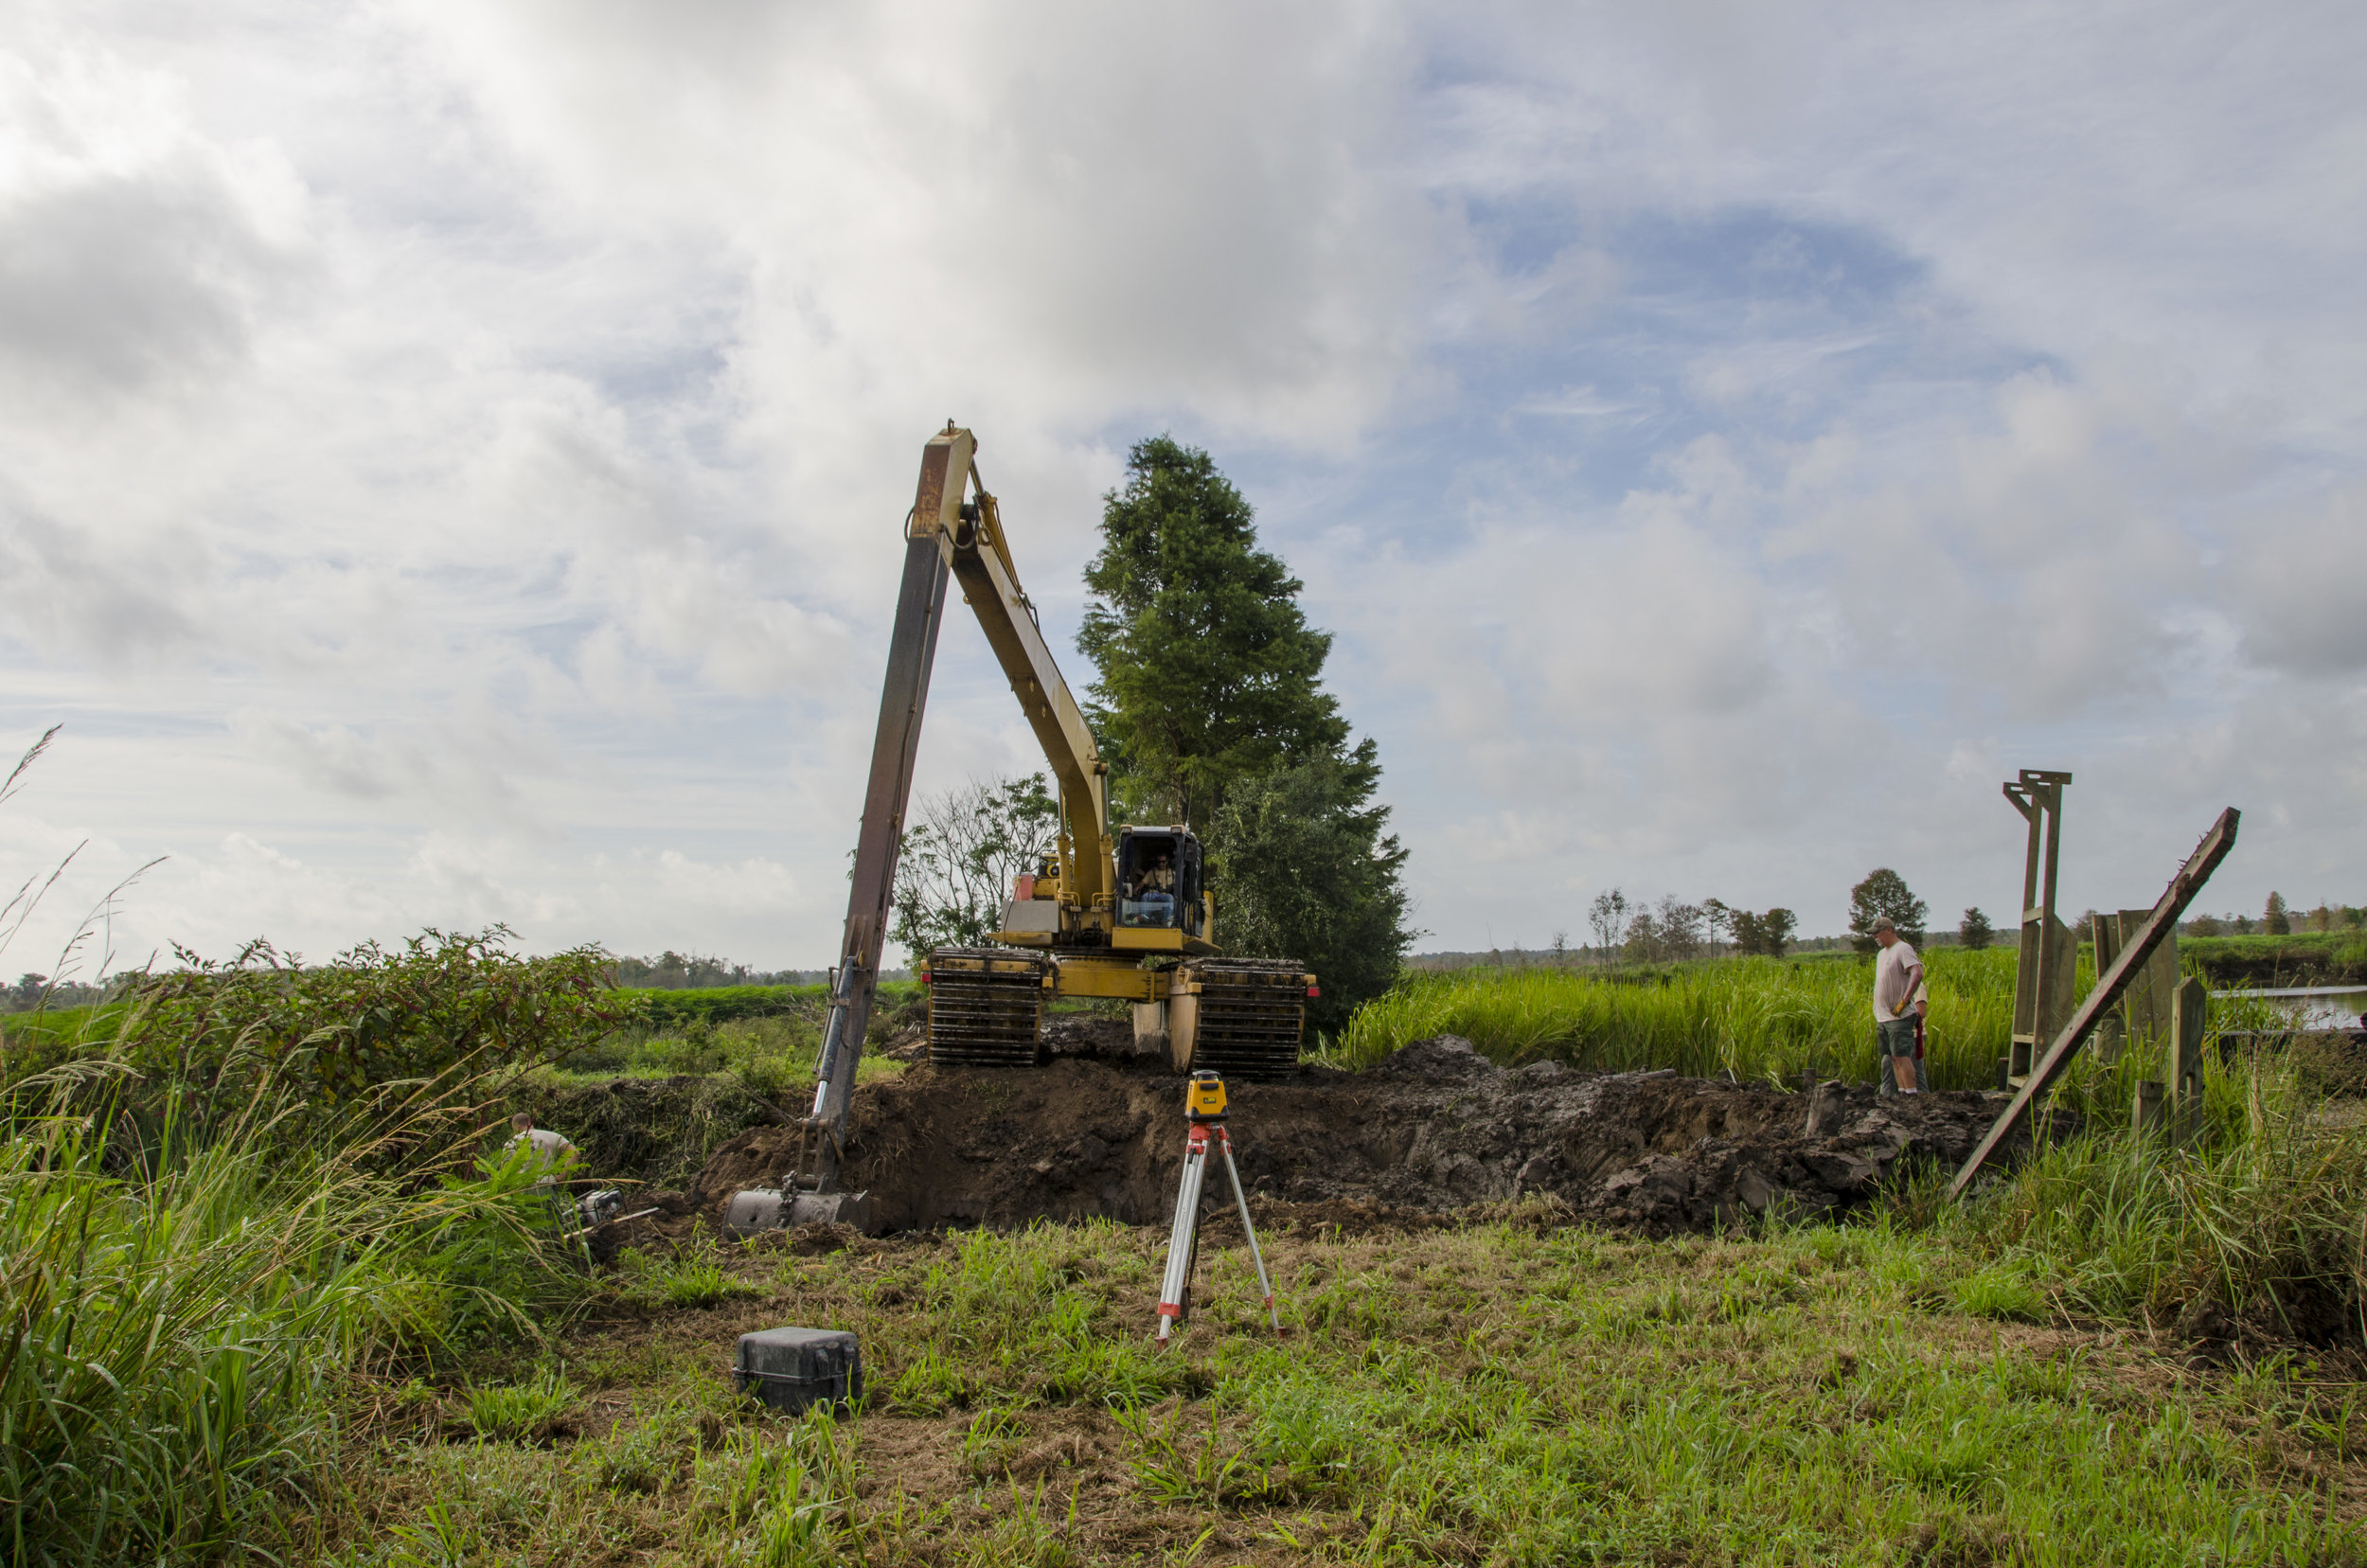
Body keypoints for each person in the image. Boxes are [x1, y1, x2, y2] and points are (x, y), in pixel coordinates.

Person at [1871, 918, 1928, 1096]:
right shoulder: (1882, 954)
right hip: (1883, 1016)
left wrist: (1904, 1001)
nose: (1874, 937)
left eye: (1877, 933)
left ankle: (1911, 1094)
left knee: (1902, 1056)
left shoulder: (1903, 949)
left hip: (1899, 1016)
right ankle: (1902, 1092)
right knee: (1893, 1057)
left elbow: (1917, 973)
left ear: (1888, 930)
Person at [507, 1111, 578, 1186]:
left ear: (517, 1127)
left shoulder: (511, 1143)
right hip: (548, 1184)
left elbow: (506, 1172)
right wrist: (562, 1176)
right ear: (529, 1123)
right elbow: (575, 1153)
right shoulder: (552, 1136)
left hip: (522, 1187)